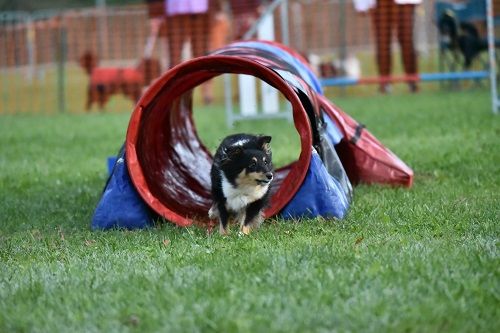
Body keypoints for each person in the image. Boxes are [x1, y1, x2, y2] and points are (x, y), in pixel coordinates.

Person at [354, 0, 421, 93]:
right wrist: (361, 4)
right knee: (382, 41)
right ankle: (384, 84)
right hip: (380, 3)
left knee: (406, 38)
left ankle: (412, 82)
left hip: (404, 2)